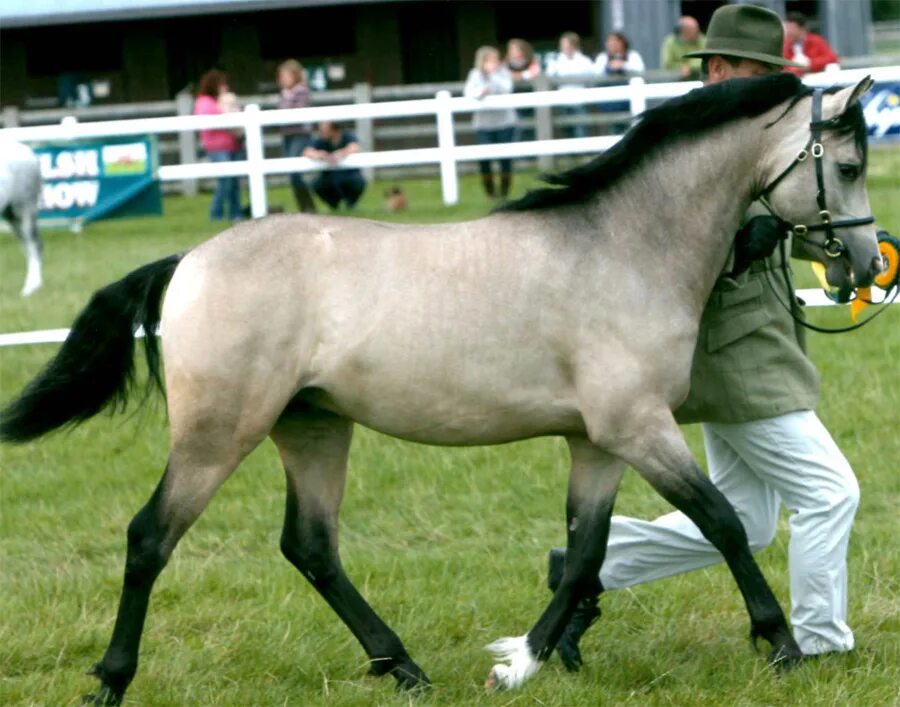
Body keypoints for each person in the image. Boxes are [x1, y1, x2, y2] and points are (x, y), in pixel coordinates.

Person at [548, 3, 860, 669]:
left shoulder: (745, 133)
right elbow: (651, 255)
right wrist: (741, 248)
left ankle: (585, 567)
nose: (774, 88)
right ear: (719, 70)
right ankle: (821, 641)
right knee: (831, 492)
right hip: (733, 359)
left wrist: (847, 251)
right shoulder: (683, 145)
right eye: (758, 73)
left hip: (760, 342)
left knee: (746, 519)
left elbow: (792, 207)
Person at [464, 46, 518, 200]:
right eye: (489, 60)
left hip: (505, 123)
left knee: (505, 159)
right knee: (484, 159)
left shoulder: (503, 73)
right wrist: (481, 92)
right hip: (484, 124)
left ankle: (504, 192)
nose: (493, 63)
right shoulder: (474, 74)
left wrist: (493, 75)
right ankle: (490, 192)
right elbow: (469, 92)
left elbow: (507, 88)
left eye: (495, 59)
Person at [194, 69, 243, 222]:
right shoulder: (205, 102)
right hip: (217, 147)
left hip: (231, 145)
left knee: (233, 182)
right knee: (225, 180)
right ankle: (216, 212)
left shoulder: (218, 100)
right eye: (222, 84)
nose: (225, 87)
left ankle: (235, 213)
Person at [276, 59, 317, 213]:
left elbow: (294, 111)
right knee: (292, 172)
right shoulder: (286, 93)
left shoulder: (301, 91)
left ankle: (307, 206)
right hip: (288, 135)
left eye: (286, 75)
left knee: (295, 171)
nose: (283, 79)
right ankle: (305, 206)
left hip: (300, 135)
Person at [303, 121, 366, 210]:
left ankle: (350, 204)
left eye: (324, 131)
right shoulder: (321, 140)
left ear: (333, 130)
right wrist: (319, 154)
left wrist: (341, 153)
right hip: (329, 176)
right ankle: (334, 205)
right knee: (317, 184)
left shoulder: (347, 135)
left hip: (349, 174)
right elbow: (307, 151)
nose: (321, 133)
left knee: (357, 181)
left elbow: (354, 147)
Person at [546, 32, 595, 138]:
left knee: (581, 129)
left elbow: (592, 79)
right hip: (563, 100)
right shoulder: (556, 60)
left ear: (574, 45)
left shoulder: (584, 61)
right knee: (566, 130)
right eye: (562, 45)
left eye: (566, 44)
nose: (563, 47)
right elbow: (549, 76)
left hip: (580, 101)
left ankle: (582, 153)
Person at [783, 12, 839, 76]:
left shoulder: (816, 41)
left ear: (802, 29)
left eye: (792, 29)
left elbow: (832, 58)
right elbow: (782, 65)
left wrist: (810, 64)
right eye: (787, 28)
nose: (788, 32)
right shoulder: (785, 45)